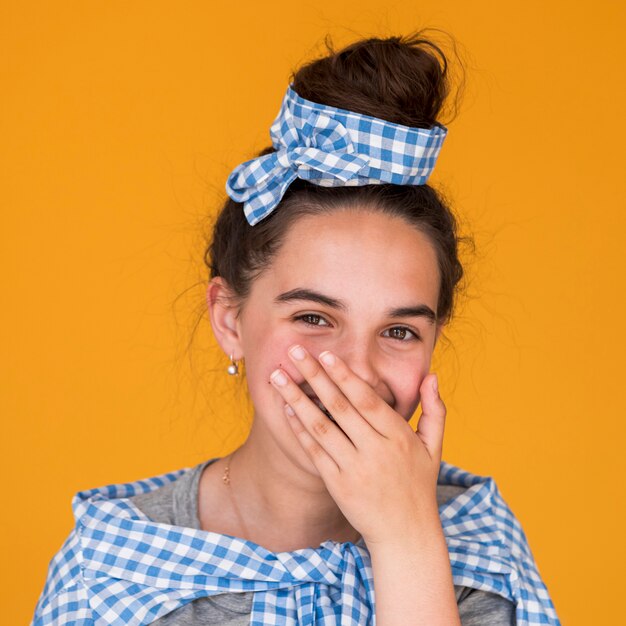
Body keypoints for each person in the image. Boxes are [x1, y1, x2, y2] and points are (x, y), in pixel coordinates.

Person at [32, 33, 561, 625]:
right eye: (313, 318)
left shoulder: (481, 551)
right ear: (230, 319)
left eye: (400, 331)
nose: (357, 371)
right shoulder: (110, 572)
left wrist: (408, 541)